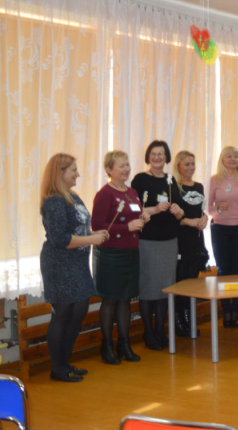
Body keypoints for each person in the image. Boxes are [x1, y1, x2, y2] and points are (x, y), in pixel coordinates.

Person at [40, 153, 109, 382]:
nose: (78, 174)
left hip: (78, 262)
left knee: (78, 311)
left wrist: (94, 234)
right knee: (63, 314)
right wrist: (91, 240)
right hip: (59, 264)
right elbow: (60, 239)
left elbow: (79, 230)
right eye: (73, 170)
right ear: (60, 173)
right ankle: (57, 369)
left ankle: (66, 363)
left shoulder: (73, 197)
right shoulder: (53, 201)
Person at [91, 151, 150, 365]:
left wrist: (143, 216)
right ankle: (106, 346)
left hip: (130, 252)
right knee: (110, 299)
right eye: (121, 166)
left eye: (127, 164)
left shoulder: (132, 192)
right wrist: (127, 227)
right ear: (109, 169)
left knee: (125, 299)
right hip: (110, 254)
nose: (126, 169)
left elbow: (136, 214)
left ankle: (123, 344)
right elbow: (96, 227)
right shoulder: (105, 193)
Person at [131, 141, 185, 350]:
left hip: (169, 242)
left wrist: (178, 211)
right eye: (153, 154)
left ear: (166, 157)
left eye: (161, 154)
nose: (157, 158)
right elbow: (134, 209)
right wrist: (153, 209)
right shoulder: (140, 179)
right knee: (148, 289)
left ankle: (160, 331)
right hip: (148, 242)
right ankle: (148, 332)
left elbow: (181, 213)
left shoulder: (171, 181)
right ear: (148, 157)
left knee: (164, 289)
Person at [208, 146, 238, 328]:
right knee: (223, 271)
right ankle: (226, 310)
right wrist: (217, 210)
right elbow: (208, 206)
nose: (233, 159)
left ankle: (237, 310)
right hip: (220, 229)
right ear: (222, 159)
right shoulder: (214, 179)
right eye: (229, 156)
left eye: (236, 156)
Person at [173, 150, 209, 338]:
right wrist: (188, 221)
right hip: (181, 241)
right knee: (181, 282)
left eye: (193, 164)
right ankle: (178, 321)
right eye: (186, 164)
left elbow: (201, 209)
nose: (190, 168)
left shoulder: (199, 186)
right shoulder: (173, 187)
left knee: (192, 282)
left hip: (196, 240)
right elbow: (170, 217)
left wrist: (205, 218)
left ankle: (188, 318)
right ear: (178, 166)